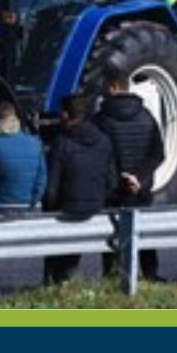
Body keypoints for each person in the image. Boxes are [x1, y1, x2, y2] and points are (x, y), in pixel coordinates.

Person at [94, 71, 165, 281]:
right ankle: (150, 274)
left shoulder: (101, 119)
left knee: (113, 235)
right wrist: (138, 178)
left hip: (114, 190)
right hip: (140, 188)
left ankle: (113, 275)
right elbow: (158, 154)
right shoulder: (147, 116)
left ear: (114, 87)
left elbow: (102, 156)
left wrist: (119, 178)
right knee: (144, 233)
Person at [0, 102, 47, 299]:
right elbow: (41, 181)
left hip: (1, 208)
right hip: (29, 209)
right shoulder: (35, 143)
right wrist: (32, 202)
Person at [43, 93, 117, 285]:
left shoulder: (61, 142)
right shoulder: (103, 140)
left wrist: (48, 209)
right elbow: (111, 180)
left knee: (58, 249)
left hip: (68, 206)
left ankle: (57, 280)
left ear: (66, 115)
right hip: (96, 205)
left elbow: (52, 186)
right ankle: (67, 277)